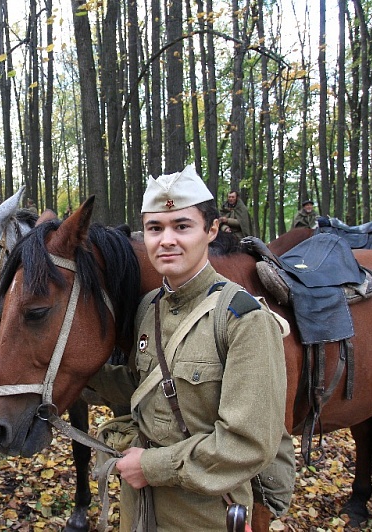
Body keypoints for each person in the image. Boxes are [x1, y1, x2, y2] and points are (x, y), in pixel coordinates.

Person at [89, 165, 287, 530]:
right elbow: (147, 387)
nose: (166, 240)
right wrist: (78, 372)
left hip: (204, 516)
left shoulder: (243, 319)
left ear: (211, 230)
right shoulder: (149, 307)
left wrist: (150, 467)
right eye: (155, 228)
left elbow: (248, 444)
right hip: (139, 511)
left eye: (182, 226)